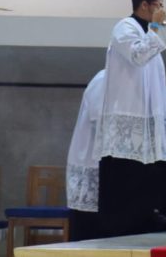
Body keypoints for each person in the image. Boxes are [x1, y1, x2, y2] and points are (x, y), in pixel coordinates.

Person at [95, 0, 166, 237]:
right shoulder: (124, 28)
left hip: (153, 113)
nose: (162, 10)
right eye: (159, 5)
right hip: (130, 112)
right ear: (144, 5)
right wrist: (156, 28)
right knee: (136, 172)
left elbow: (155, 81)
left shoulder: (150, 34)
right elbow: (137, 57)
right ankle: (143, 218)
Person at [66, 70, 106, 241]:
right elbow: (99, 119)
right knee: (88, 238)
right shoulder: (103, 80)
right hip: (92, 165)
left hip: (111, 169)